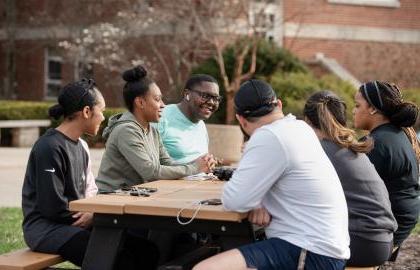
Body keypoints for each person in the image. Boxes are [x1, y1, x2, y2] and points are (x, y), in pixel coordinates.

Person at [194, 79, 350, 270]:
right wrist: (256, 201)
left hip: (310, 251)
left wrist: (252, 199)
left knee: (205, 268)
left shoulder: (268, 136)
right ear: (279, 104)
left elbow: (234, 200)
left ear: (241, 119)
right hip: (327, 248)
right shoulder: (300, 128)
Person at [21, 79, 159, 269]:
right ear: (87, 112)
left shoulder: (82, 146)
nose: (103, 117)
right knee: (120, 258)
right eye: (101, 111)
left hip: (76, 221)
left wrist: (94, 212)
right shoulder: (49, 147)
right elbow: (52, 208)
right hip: (47, 229)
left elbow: (90, 191)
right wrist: (93, 215)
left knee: (146, 249)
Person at [303, 90, 397, 267]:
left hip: (364, 243)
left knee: (289, 244)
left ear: (307, 121)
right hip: (382, 240)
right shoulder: (347, 145)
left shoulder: (319, 150)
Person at [96, 66, 215, 192]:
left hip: (133, 197)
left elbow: (167, 163)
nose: (163, 105)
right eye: (157, 99)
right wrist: (195, 168)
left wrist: (198, 163)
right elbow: (151, 172)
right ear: (140, 102)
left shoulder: (152, 130)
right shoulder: (126, 130)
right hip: (110, 200)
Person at [353, 81, 420, 252]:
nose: (353, 111)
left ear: (373, 109)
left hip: (389, 228)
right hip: (403, 220)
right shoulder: (399, 132)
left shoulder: (375, 144)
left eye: (357, 105)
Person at [157, 74, 221, 164]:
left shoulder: (201, 124)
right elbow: (149, 166)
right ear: (187, 94)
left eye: (216, 98)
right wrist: (194, 166)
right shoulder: (161, 117)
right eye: (205, 96)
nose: (211, 102)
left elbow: (197, 160)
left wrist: (209, 162)